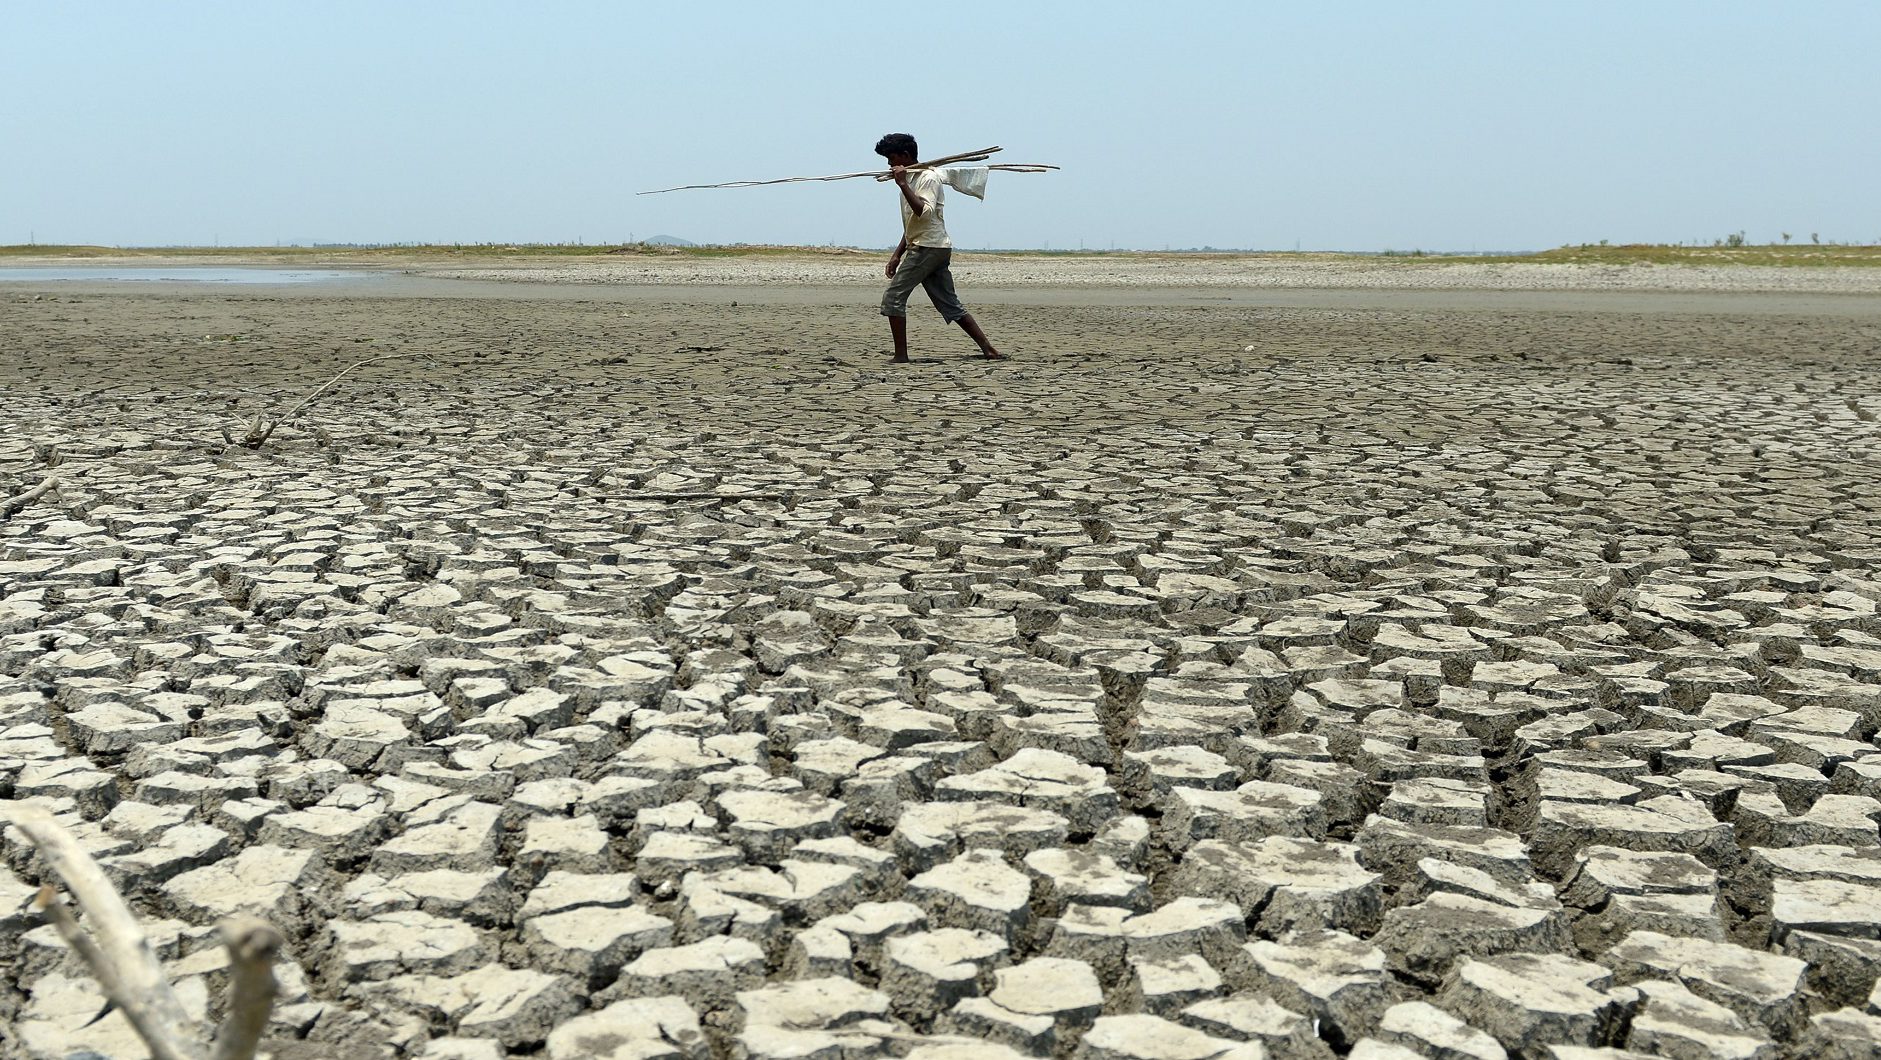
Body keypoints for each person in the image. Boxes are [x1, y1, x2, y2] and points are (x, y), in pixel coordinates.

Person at [874, 133, 1003, 363]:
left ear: (905, 156)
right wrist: (896, 255)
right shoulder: (911, 179)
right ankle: (989, 350)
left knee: (893, 298)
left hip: (928, 248)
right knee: (950, 304)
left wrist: (902, 183)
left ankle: (901, 356)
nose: (889, 165)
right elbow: (912, 225)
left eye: (892, 159)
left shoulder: (928, 178)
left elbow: (924, 212)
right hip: (929, 245)